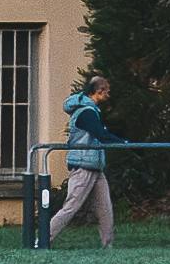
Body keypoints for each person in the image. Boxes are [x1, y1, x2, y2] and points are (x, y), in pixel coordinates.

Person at [37, 76, 119, 249]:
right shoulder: (86, 113)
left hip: (95, 167)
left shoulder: (92, 111)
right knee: (71, 207)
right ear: (99, 91)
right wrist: (124, 143)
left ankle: (108, 245)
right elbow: (101, 135)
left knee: (105, 209)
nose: (109, 95)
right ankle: (43, 240)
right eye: (108, 92)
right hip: (83, 166)